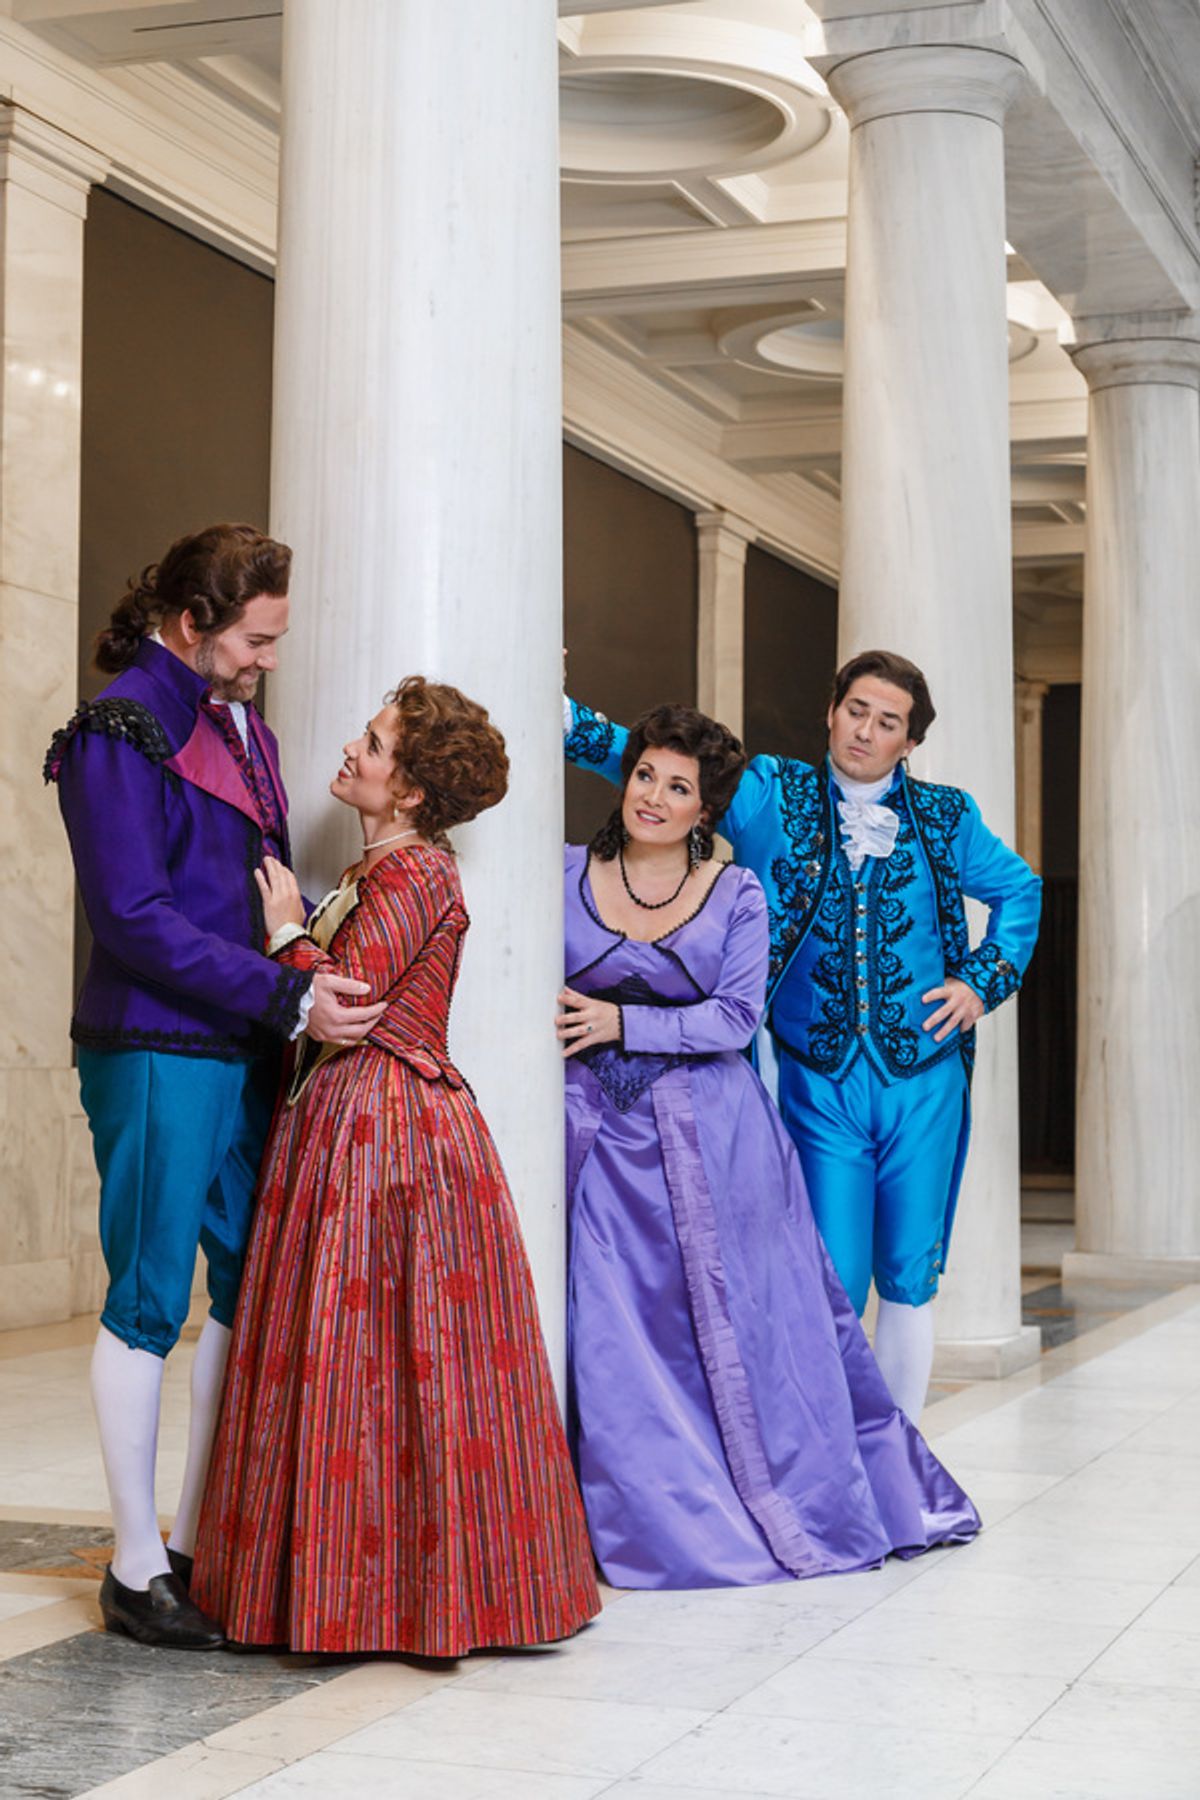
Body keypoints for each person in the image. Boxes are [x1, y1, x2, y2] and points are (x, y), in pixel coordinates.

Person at [193, 677, 600, 1656]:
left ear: (409, 789)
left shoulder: (414, 873)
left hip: (385, 1129)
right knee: (372, 1358)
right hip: (351, 1121)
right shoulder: (384, 870)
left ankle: (385, 1597)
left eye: (373, 744)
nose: (354, 751)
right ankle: (363, 1589)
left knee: (372, 1357)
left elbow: (353, 1001)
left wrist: (287, 931)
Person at [44, 524, 384, 1650]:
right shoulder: (116, 733)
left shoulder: (246, 728)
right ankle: (136, 1569)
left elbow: (257, 892)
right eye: (256, 636)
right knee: (149, 1296)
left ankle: (199, 1538)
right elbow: (132, 921)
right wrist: (285, 996)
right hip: (152, 1044)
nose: (270, 657)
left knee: (245, 1282)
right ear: (192, 622)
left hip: (241, 1040)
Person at [556, 703, 980, 1588]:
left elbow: (735, 1017)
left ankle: (729, 1501)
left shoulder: (738, 892)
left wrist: (981, 980)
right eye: (646, 776)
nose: (656, 797)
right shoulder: (558, 874)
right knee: (602, 1329)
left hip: (712, 1137)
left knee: (725, 1320)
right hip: (584, 1135)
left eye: (681, 787)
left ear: (708, 807)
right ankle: (590, 1511)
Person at [564, 654, 1041, 1428]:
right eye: (856, 709)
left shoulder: (951, 816)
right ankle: (839, 1447)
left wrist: (982, 981)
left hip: (925, 1077)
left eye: (888, 722)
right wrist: (559, 716)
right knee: (833, 1272)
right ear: (831, 711)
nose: (866, 730)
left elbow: (1020, 889)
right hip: (814, 1077)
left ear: (909, 743)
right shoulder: (768, 793)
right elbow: (654, 764)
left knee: (913, 1272)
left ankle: (903, 1448)